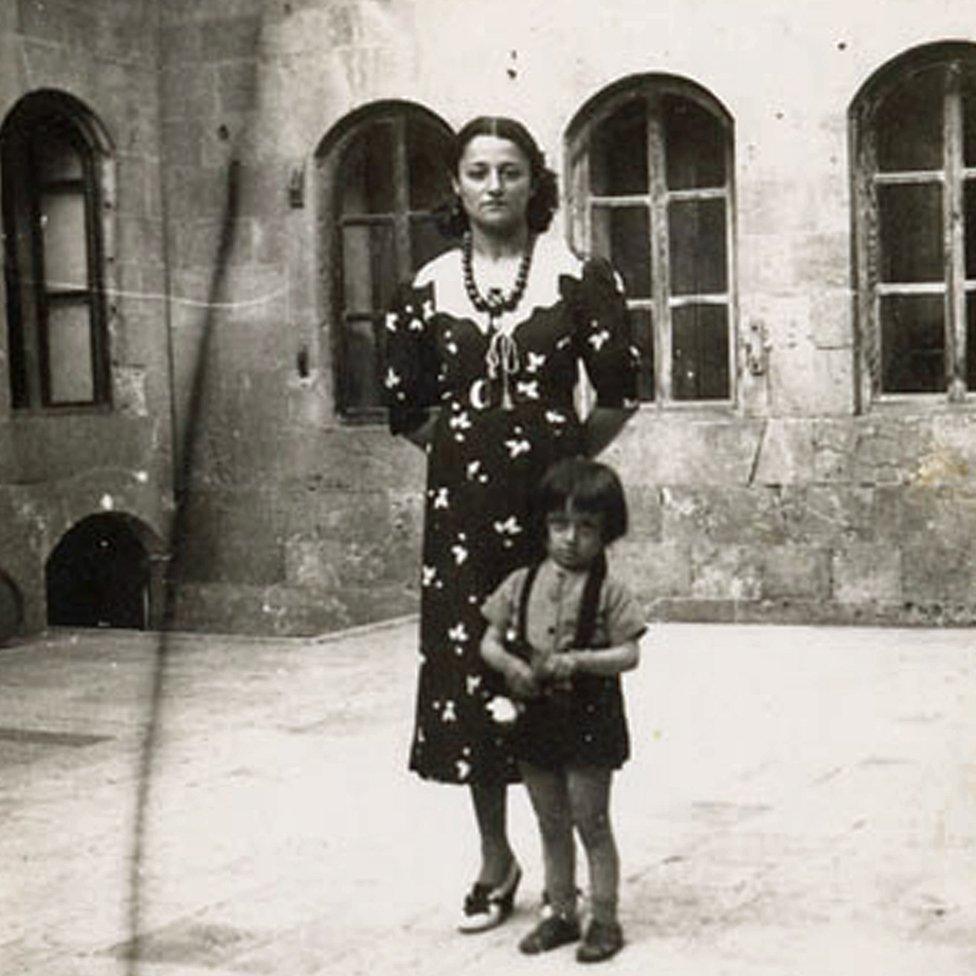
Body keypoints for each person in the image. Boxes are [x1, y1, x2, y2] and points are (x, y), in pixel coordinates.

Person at [384, 116, 639, 933]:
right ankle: (497, 859)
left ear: (537, 183)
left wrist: (558, 461)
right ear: (456, 187)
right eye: (477, 172)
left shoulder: (578, 276)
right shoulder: (424, 287)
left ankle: (565, 880)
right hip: (459, 518)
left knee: (552, 671)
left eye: (510, 172)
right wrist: (468, 452)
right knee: (473, 674)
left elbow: (618, 393)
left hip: (548, 513)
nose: (494, 187)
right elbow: (407, 408)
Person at [480, 458, 644, 963]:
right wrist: (511, 667)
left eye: (587, 528)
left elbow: (629, 653)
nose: (571, 539)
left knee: (590, 820)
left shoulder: (610, 591)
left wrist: (579, 661)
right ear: (544, 526)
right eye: (559, 526)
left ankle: (606, 918)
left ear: (607, 532)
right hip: (536, 715)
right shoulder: (520, 583)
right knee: (550, 819)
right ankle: (561, 913)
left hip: (590, 716)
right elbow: (488, 640)